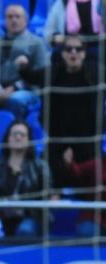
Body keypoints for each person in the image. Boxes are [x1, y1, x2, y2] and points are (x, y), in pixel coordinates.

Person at [0, 119, 54, 237]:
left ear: (28, 140)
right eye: (14, 134)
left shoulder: (40, 167)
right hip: (0, 218)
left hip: (30, 218)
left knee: (25, 230)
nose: (18, 137)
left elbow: (48, 196)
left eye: (22, 135)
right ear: (8, 139)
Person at [45, 34, 100, 184]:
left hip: (87, 144)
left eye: (78, 49)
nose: (73, 52)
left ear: (84, 53)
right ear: (62, 53)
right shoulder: (53, 76)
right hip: (57, 143)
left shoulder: (97, 76)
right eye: (69, 49)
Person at [0, 4, 48, 121]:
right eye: (9, 17)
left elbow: (41, 75)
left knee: (16, 99)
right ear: (5, 21)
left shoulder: (37, 43)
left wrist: (13, 88)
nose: (13, 20)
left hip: (26, 90)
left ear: (26, 20)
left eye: (17, 17)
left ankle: (17, 131)